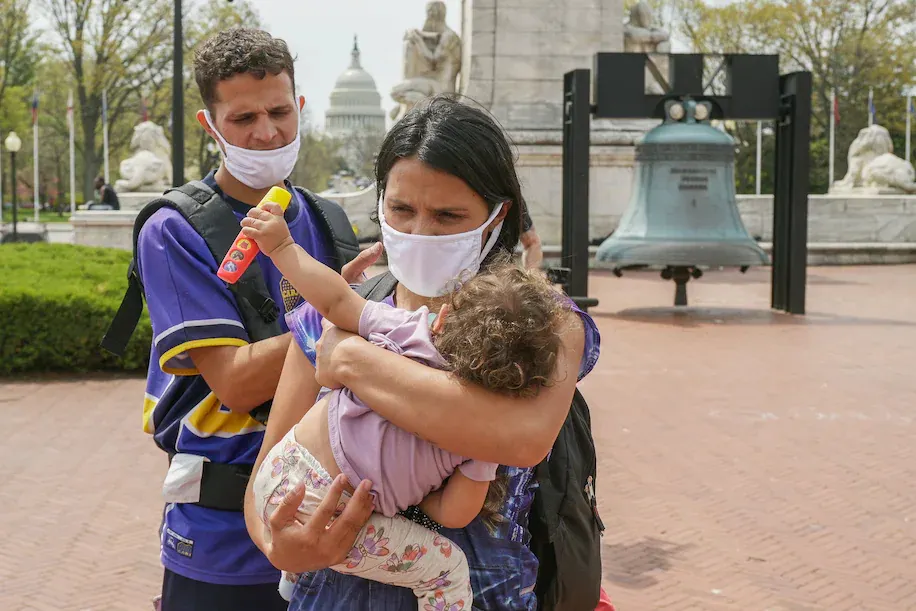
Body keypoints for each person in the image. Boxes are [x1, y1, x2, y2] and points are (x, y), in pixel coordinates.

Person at [242, 95, 603, 610]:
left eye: (448, 215)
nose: (419, 232)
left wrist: (353, 362)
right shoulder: (336, 314)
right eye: (402, 209)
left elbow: (521, 439)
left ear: (497, 216)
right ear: (380, 202)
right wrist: (284, 545)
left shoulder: (545, 324)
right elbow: (266, 479)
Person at [136, 28, 378, 611]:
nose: (267, 132)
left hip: (335, 529)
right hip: (223, 540)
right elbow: (237, 382)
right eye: (243, 118)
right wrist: (343, 309)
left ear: (299, 107)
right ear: (210, 125)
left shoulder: (327, 219)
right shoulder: (175, 231)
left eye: (278, 111)